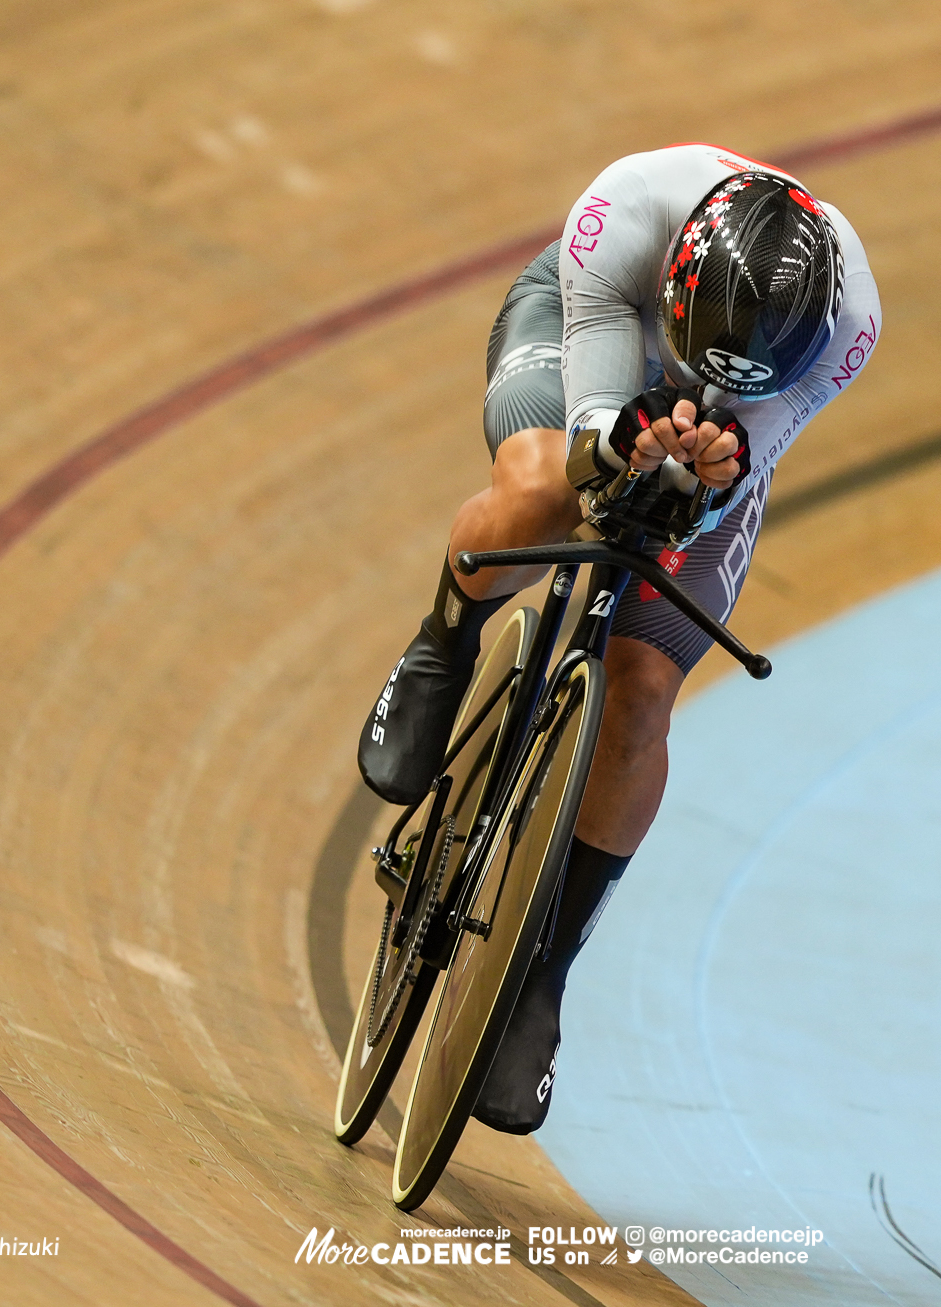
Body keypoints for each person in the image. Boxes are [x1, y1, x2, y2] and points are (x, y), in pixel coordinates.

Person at [358, 143, 879, 1133]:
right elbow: (595, 432)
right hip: (586, 330)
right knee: (546, 488)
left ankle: (539, 978)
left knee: (640, 688)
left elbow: (735, 464)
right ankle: (445, 640)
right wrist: (616, 448)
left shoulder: (846, 327)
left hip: (728, 410)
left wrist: (697, 478)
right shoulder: (627, 207)